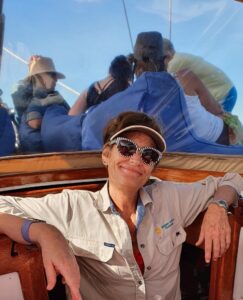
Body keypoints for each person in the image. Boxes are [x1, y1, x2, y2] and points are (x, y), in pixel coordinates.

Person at [0, 110, 242, 300]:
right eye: (127, 148)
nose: (136, 159)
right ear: (106, 154)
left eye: (149, 155)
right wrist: (45, 232)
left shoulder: (170, 196)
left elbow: (232, 178)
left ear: (152, 168)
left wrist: (218, 206)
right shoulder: (73, 206)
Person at [131, 31, 243, 145]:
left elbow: (162, 81)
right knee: (219, 117)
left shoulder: (175, 63)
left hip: (224, 92)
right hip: (220, 94)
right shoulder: (179, 70)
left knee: (219, 115)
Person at [12, 55, 70, 153]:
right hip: (39, 156)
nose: (56, 80)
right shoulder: (36, 101)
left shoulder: (54, 99)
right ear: (39, 77)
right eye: (52, 75)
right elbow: (34, 123)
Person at [163, 38, 237, 112]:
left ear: (167, 55)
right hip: (225, 89)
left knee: (220, 119)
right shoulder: (180, 57)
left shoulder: (175, 63)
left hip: (223, 93)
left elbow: (162, 84)